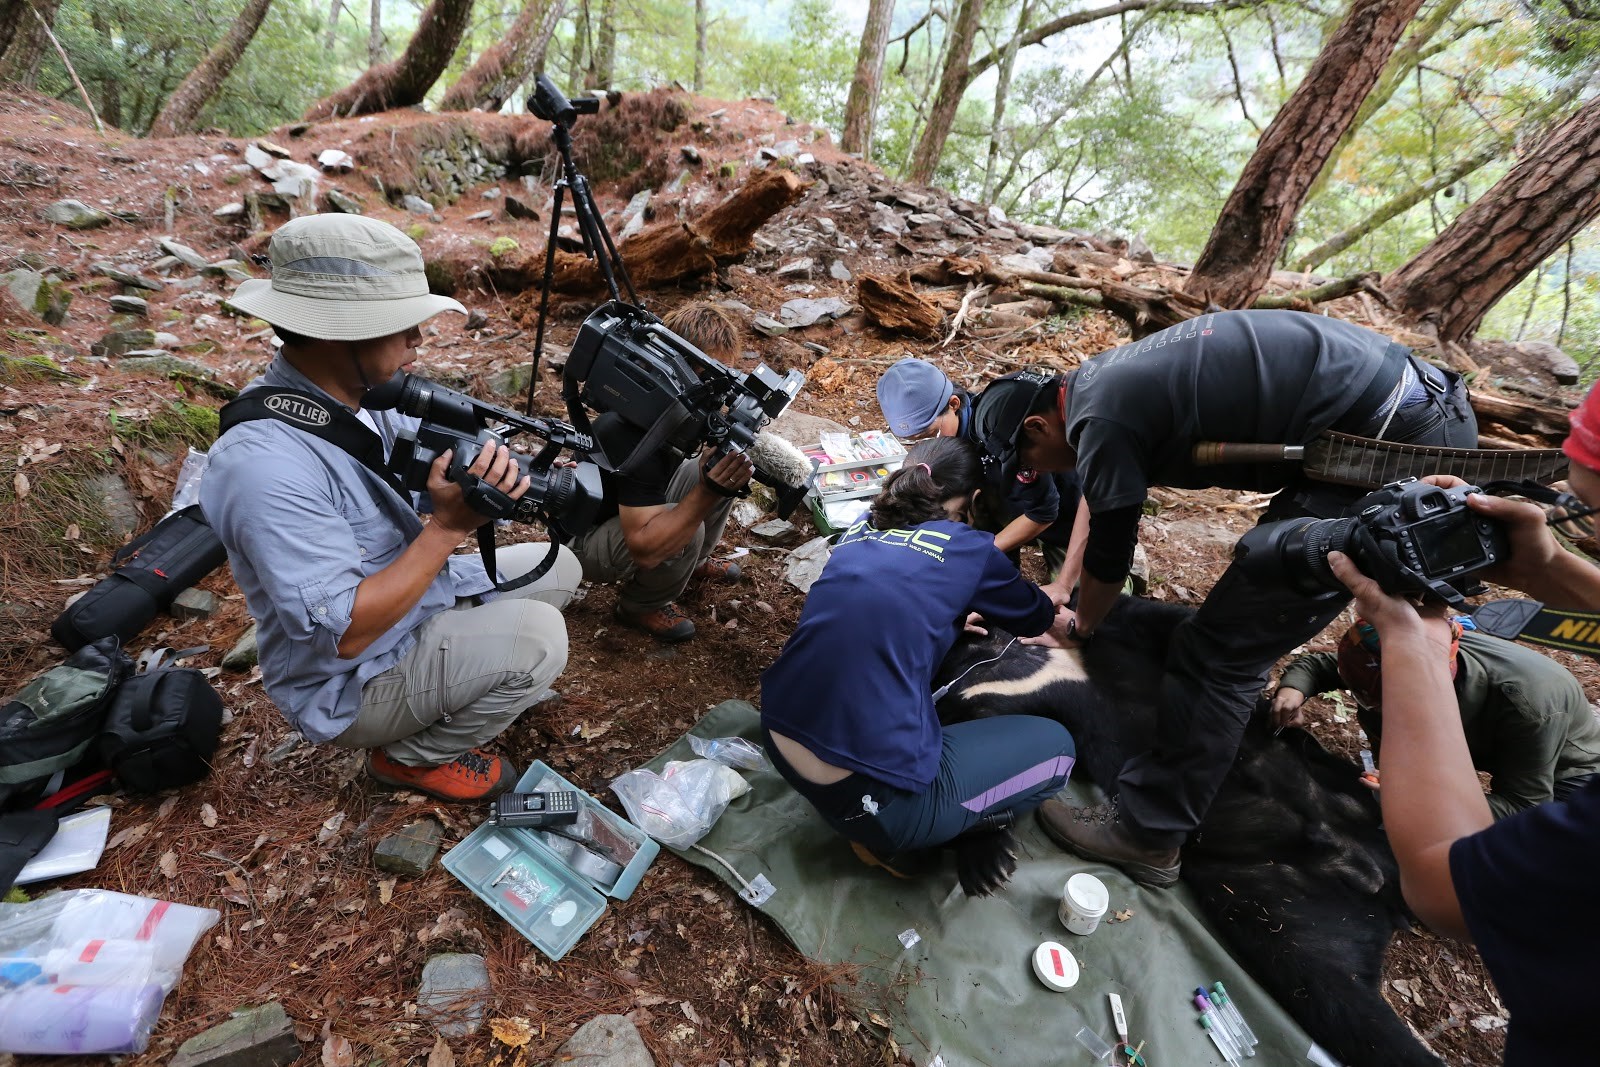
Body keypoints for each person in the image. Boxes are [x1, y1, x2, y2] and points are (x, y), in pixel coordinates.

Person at [970, 309, 1477, 886]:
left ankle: (1148, 835)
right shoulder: (1097, 387)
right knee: (1250, 584)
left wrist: (1080, 626)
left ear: (1037, 427)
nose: (1032, 474)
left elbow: (1113, 550)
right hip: (1393, 415)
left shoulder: (1101, 418)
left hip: (1392, 448)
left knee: (1220, 654)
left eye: (1027, 463)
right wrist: (1064, 587)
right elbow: (1104, 488)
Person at [201, 214, 582, 803]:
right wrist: (450, 527)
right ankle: (409, 759)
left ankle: (460, 666)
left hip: (414, 600)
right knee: (539, 636)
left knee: (563, 568)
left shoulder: (364, 397)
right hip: (347, 679)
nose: (418, 342)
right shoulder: (263, 466)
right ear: (334, 331)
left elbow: (420, 475)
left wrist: (496, 475)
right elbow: (344, 636)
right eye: (401, 326)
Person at [1337, 382, 1600, 1065]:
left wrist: (1412, 639)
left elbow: (1443, 883)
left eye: (1594, 520)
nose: (1583, 531)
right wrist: (1554, 568)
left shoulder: (1529, 704)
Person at [759, 436, 1077, 896]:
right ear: (976, 500)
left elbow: (882, 603)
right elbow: (1034, 616)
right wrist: (1061, 608)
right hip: (867, 801)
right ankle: (920, 835)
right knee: (1060, 750)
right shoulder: (970, 548)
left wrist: (947, 616)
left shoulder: (861, 530)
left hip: (778, 733)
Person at [1273, 620, 1600, 817]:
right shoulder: (1395, 649)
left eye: (1382, 701)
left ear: (1429, 690)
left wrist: (1420, 803)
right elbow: (1320, 666)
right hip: (1477, 732)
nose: (1370, 707)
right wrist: (1292, 691)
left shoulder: (1527, 707)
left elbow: (1523, 805)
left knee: (1546, 841)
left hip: (1569, 770)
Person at [568, 302, 754, 643]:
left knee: (723, 465)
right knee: (690, 520)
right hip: (582, 542)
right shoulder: (632, 428)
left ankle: (691, 561)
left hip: (626, 510)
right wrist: (707, 493)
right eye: (711, 376)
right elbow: (644, 547)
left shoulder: (663, 405)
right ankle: (640, 604)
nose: (720, 392)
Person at [877, 356, 1088, 602]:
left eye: (929, 433)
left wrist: (978, 552)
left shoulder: (1001, 431)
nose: (926, 445)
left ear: (954, 404)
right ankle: (1003, 567)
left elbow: (1045, 511)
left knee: (1080, 605)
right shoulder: (952, 440)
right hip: (1010, 506)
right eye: (914, 440)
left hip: (1065, 514)